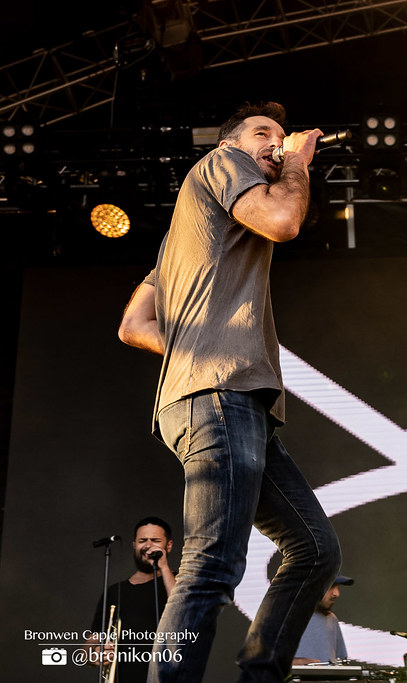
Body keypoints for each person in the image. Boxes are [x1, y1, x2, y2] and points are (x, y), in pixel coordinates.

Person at [117, 101, 342, 683]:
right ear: (234, 144)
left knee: (315, 550)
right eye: (262, 133)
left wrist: (197, 344)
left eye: (279, 134)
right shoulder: (221, 164)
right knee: (211, 564)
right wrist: (297, 163)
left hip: (220, 397)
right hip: (220, 397)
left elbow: (135, 326)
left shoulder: (178, 242)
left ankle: (258, 677)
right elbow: (284, 221)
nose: (274, 140)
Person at [89, 517, 177, 683]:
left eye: (155, 540)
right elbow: (90, 644)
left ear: (169, 546)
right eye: (142, 540)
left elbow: (181, 612)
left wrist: (163, 567)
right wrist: (95, 653)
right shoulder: (115, 591)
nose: (148, 545)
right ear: (134, 545)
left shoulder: (180, 581)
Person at [292, 574, 355, 665]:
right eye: (331, 586)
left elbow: (341, 663)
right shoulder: (282, 617)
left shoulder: (332, 619)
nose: (336, 593)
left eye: (337, 587)